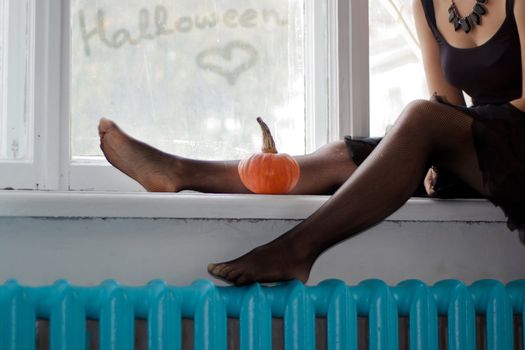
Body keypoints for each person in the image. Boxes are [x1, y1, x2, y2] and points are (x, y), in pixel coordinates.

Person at [98, 0, 525, 285]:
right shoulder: (428, 3)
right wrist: (441, 163)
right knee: (344, 156)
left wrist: (448, 148)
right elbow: (448, 102)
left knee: (418, 117)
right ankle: (180, 171)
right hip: (482, 150)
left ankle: (296, 250)